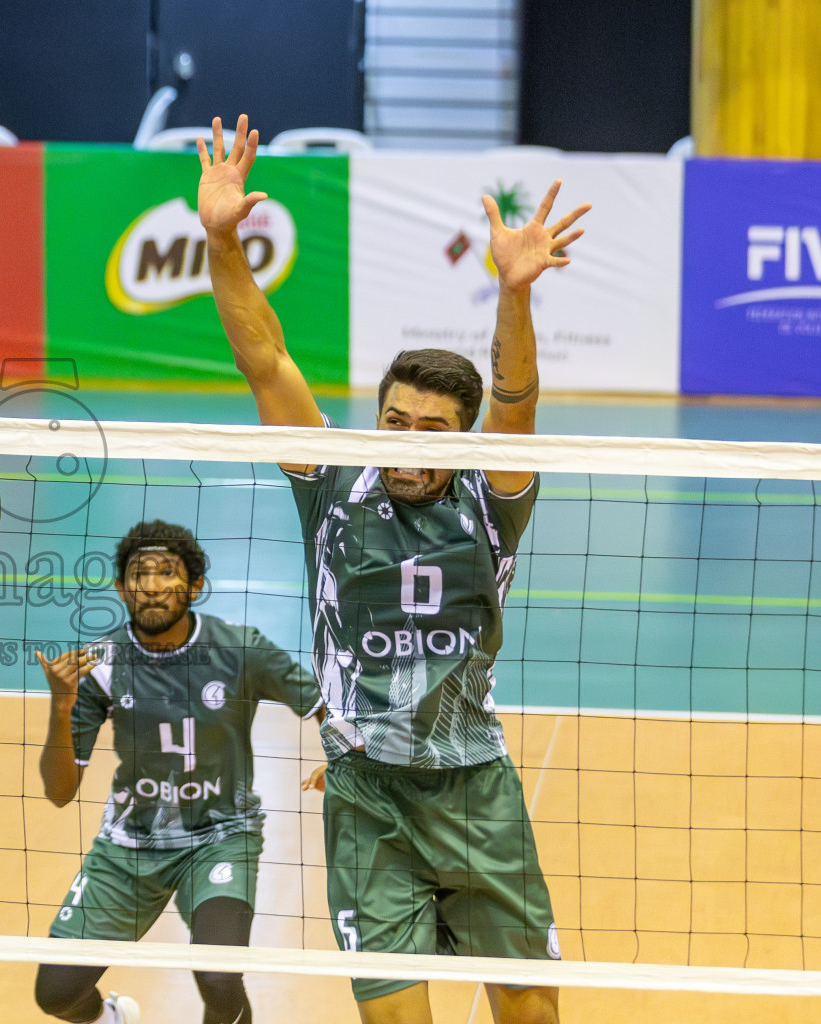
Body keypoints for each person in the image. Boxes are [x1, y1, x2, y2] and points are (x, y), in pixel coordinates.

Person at [198, 115, 589, 1024]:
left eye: (434, 429)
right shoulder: (335, 483)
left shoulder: (493, 502)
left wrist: (515, 295)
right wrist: (222, 241)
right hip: (366, 795)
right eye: (396, 420)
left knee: (531, 1011)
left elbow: (519, 406)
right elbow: (267, 358)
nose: (408, 441)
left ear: (464, 439)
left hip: (474, 785)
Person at [33, 520, 323, 1024]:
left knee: (218, 975)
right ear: (122, 589)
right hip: (129, 844)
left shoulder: (239, 649)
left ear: (194, 586)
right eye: (137, 574)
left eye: (167, 572)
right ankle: (111, 1019)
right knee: (55, 993)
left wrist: (340, 758)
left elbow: (326, 702)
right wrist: (61, 708)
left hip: (221, 834)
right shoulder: (100, 664)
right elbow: (59, 793)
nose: (151, 585)